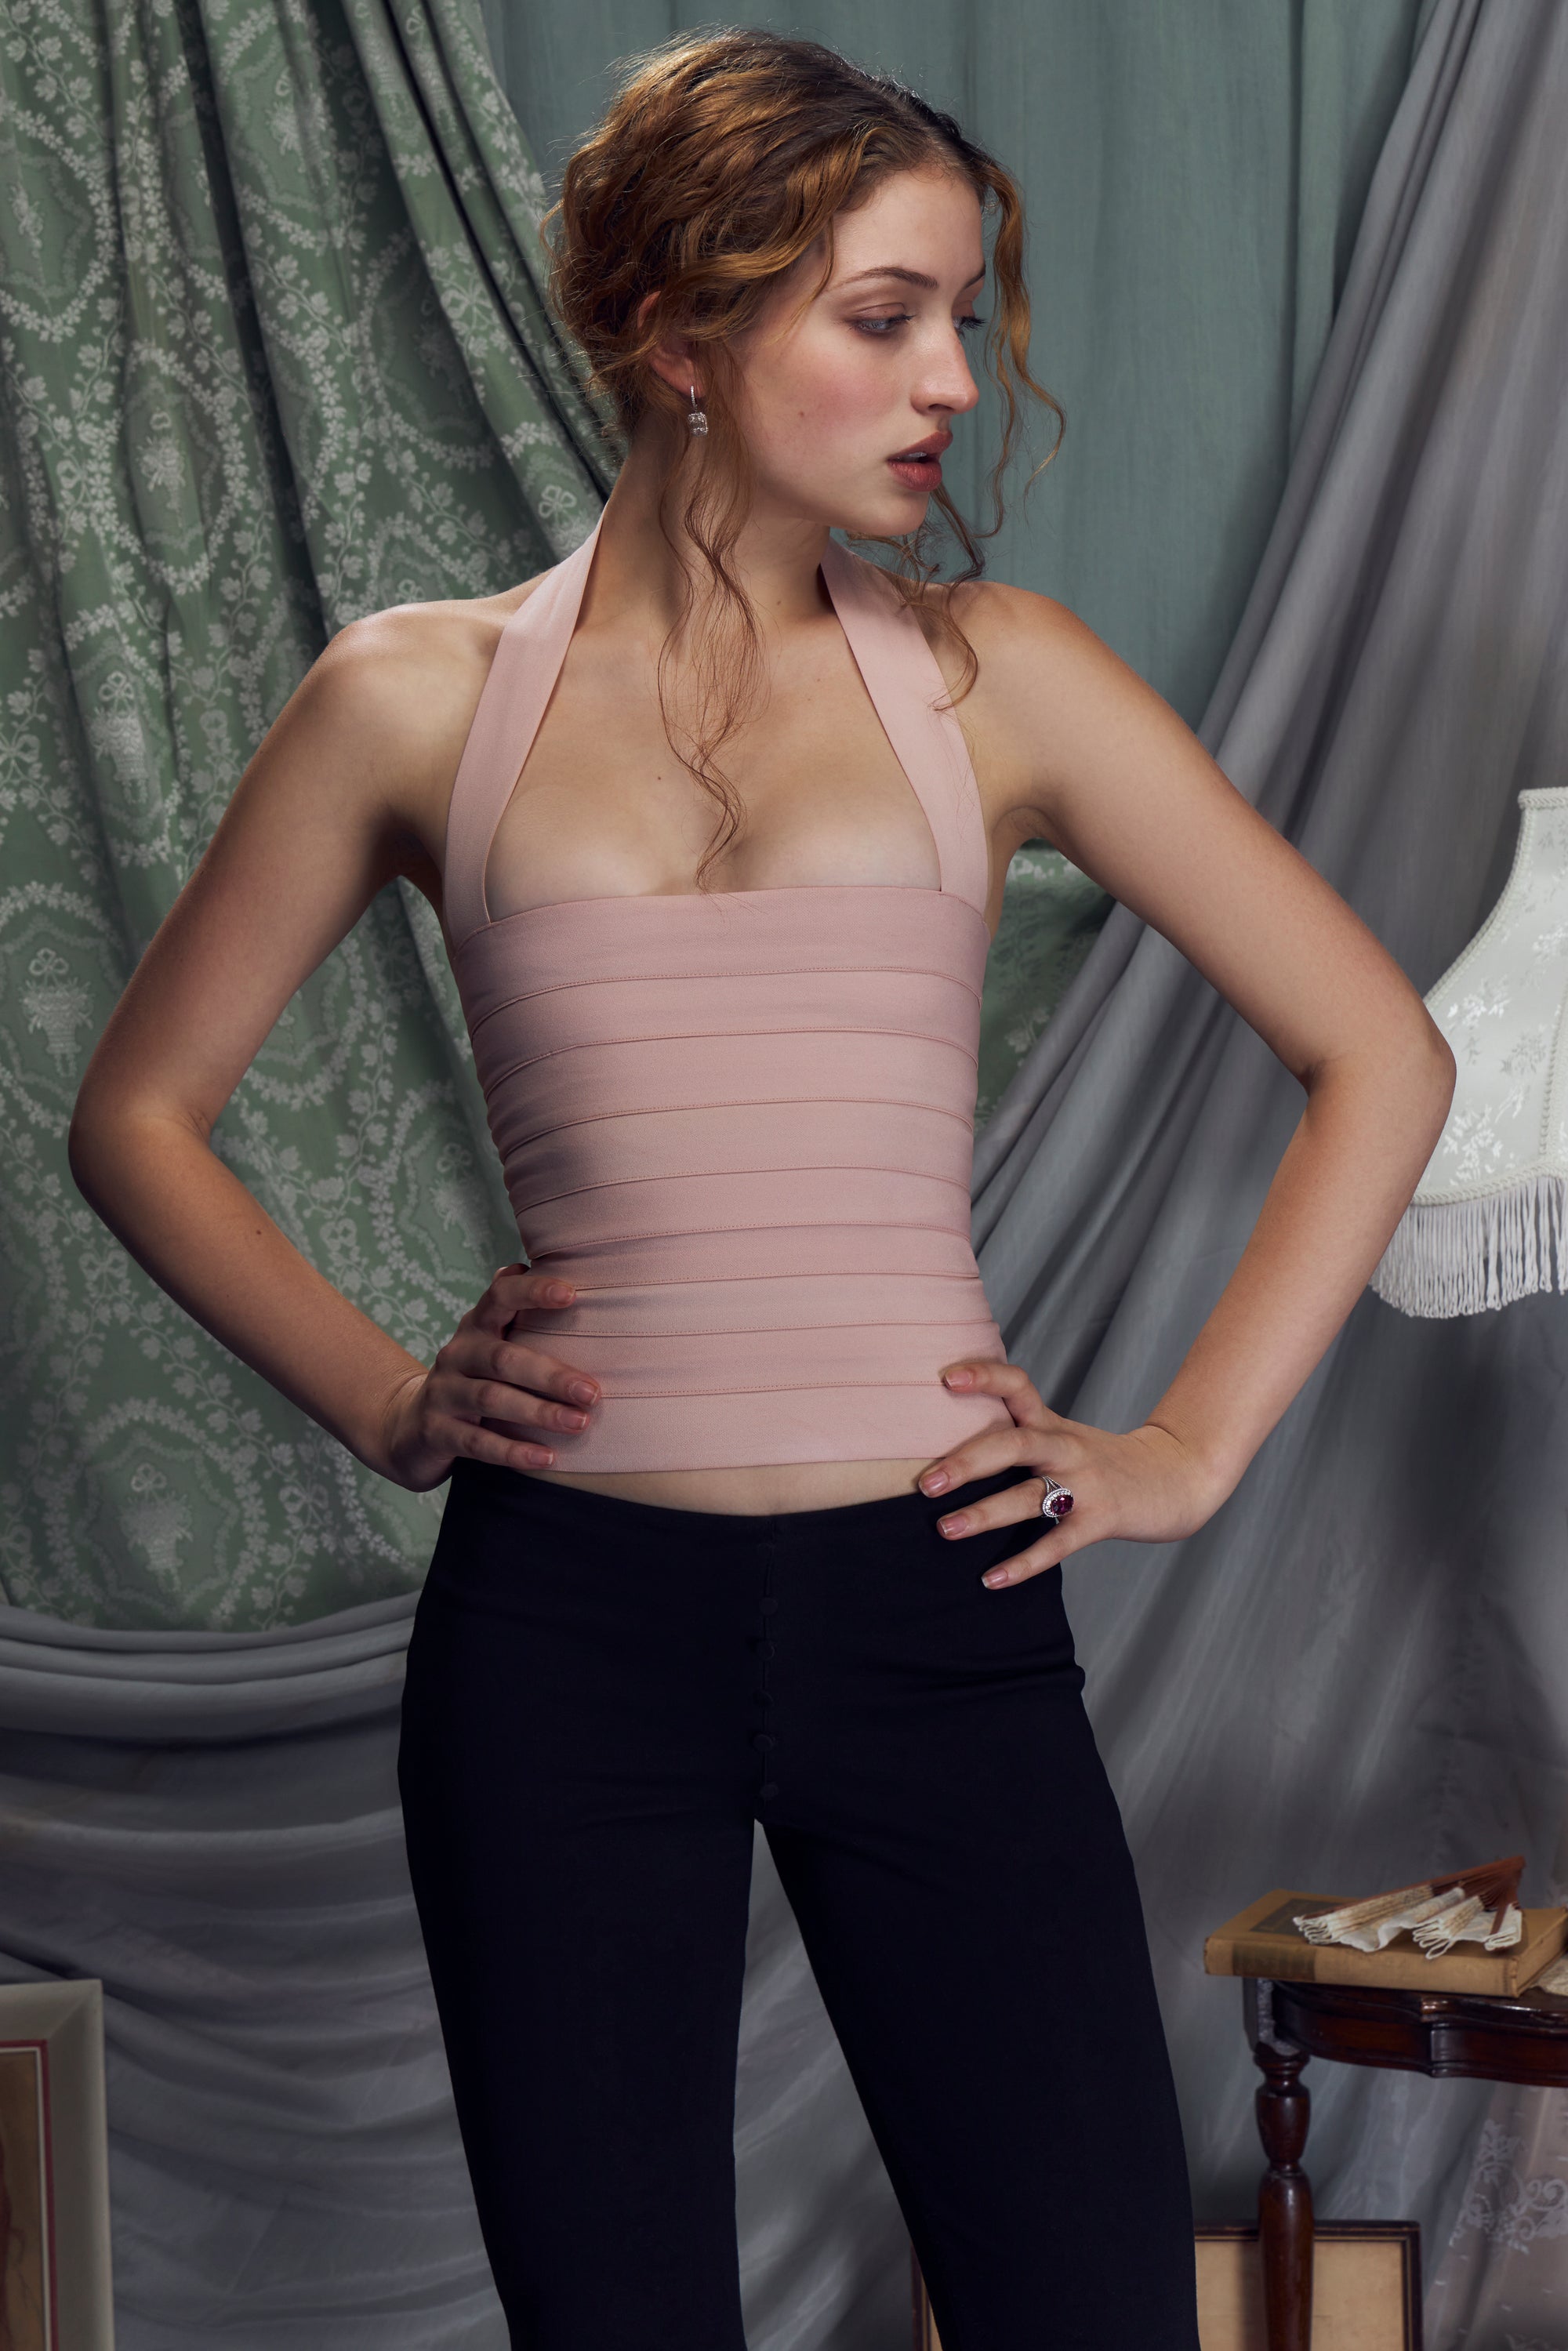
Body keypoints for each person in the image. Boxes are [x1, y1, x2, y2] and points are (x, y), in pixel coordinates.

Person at [67, 27, 1455, 2351]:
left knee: (1089, 2303)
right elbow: (136, 1115)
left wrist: (1184, 1449)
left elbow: (1379, 1049)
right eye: (882, 316)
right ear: (677, 333)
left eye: (961, 320)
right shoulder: (414, 698)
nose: (953, 383)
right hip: (563, 1631)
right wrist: (391, 1400)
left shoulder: (1002, 682)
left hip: (937, 1598)